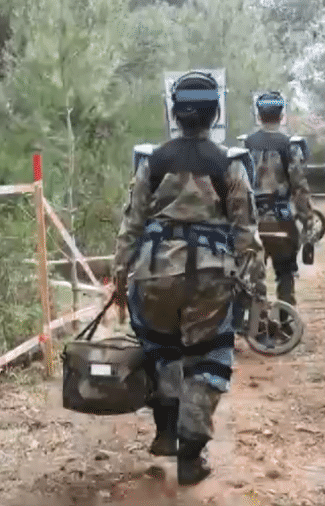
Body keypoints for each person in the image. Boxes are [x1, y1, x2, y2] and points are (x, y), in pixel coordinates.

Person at [111, 71, 265, 486]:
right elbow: (246, 233)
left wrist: (119, 274)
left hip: (155, 273)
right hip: (211, 277)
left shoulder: (152, 161)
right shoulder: (229, 164)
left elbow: (132, 223)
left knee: (160, 349)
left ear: (174, 113)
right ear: (215, 113)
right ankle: (191, 455)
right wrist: (256, 286)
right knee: (209, 357)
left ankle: (165, 428)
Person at [241, 91, 315, 311]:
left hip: (252, 221)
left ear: (258, 116)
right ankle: (286, 318)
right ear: (282, 116)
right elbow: (299, 188)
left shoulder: (247, 145)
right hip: (281, 220)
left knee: (252, 279)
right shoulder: (288, 146)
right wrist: (307, 222)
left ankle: (257, 320)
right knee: (285, 273)